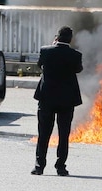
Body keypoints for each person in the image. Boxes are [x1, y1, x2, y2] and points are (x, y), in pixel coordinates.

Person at [32, 26, 83, 176]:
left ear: (57, 37)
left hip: (47, 98)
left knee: (43, 133)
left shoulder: (46, 51)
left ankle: (39, 166)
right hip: (67, 100)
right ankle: (60, 167)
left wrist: (53, 46)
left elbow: (39, 65)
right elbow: (78, 69)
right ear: (70, 39)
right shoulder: (75, 55)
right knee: (63, 133)